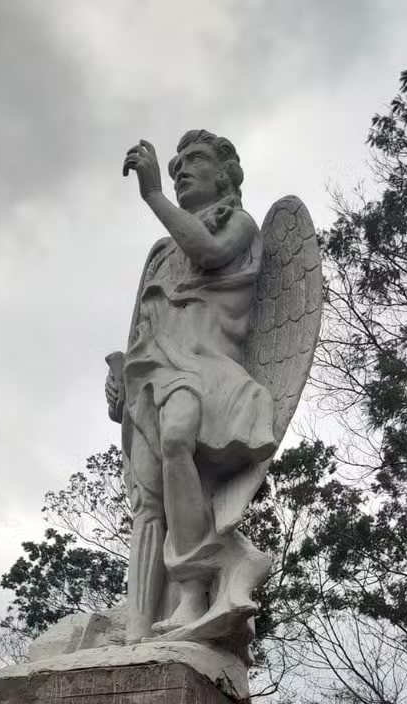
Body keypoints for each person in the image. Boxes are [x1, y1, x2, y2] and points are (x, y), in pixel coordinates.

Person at [105, 131, 275, 646]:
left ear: (225, 174)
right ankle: (138, 629)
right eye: (175, 164)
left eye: (194, 160)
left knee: (179, 438)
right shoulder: (161, 252)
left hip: (206, 371)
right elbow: (141, 326)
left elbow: (207, 251)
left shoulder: (238, 224)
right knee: (148, 501)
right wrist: (119, 376)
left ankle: (194, 588)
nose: (180, 169)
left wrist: (152, 194)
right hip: (151, 376)